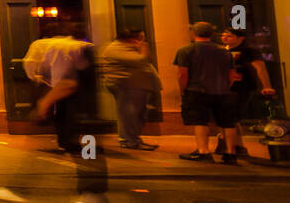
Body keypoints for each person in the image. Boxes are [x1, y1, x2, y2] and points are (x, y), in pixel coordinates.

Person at [173, 21, 239, 164]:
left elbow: (182, 74)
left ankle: (203, 152)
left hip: (197, 90)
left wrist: (182, 90)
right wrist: (225, 86)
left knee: (200, 121)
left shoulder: (186, 50)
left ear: (193, 33)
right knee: (227, 123)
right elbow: (232, 74)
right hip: (222, 91)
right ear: (212, 34)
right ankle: (231, 154)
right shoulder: (224, 51)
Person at [27, 22, 95, 154]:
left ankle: (61, 139)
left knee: (59, 112)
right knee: (69, 113)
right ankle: (68, 142)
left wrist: (36, 78)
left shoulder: (41, 45)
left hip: (50, 82)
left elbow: (31, 63)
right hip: (68, 83)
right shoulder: (75, 45)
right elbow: (82, 65)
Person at [99, 28, 161, 150]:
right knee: (129, 114)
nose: (143, 41)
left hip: (135, 86)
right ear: (131, 39)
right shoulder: (115, 48)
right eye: (141, 38)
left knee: (136, 114)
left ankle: (134, 139)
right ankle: (128, 141)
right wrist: (143, 49)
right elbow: (140, 60)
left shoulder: (127, 48)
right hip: (126, 86)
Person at [221, 26, 277, 156]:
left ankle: (235, 146)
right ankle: (236, 145)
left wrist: (266, 86)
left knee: (232, 116)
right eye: (223, 35)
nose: (225, 38)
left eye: (229, 36)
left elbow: (260, 68)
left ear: (240, 38)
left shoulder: (249, 52)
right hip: (224, 87)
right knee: (228, 117)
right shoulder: (222, 50)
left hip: (242, 87)